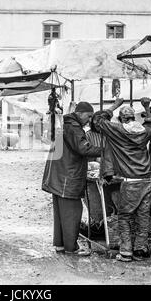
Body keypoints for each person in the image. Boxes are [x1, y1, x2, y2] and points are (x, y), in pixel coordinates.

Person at [93, 97, 151, 262]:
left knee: (125, 217)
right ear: (134, 118)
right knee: (143, 216)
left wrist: (115, 105)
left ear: (121, 118)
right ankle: (140, 249)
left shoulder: (117, 130)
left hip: (130, 181)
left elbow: (98, 120)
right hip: (147, 180)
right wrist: (147, 107)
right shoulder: (144, 132)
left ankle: (126, 251)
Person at [42, 102, 101, 256]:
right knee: (72, 212)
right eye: (88, 116)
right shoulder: (74, 127)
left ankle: (61, 245)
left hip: (59, 175)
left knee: (61, 213)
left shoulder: (66, 124)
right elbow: (83, 148)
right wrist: (106, 150)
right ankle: (71, 248)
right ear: (80, 113)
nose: (89, 120)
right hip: (67, 177)